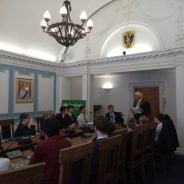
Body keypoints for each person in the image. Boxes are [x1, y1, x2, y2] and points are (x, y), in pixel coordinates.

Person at [30, 116, 71, 184]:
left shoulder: (42, 145)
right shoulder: (67, 142)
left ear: (44, 132)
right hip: (65, 179)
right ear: (59, 130)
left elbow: (31, 166)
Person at [90, 116, 115, 184]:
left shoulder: (96, 145)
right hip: (109, 171)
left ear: (95, 128)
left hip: (96, 177)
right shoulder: (112, 139)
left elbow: (93, 167)